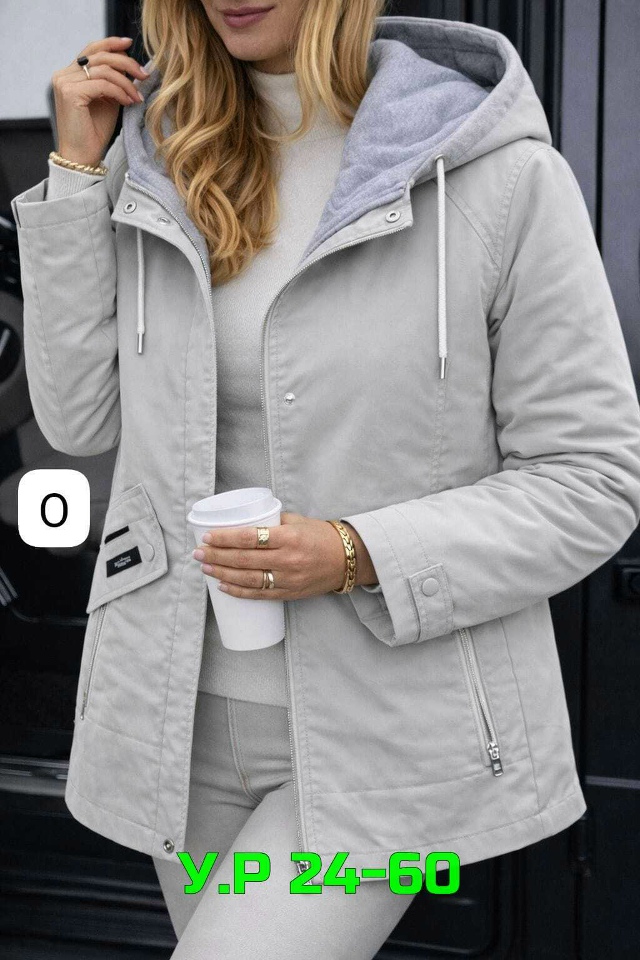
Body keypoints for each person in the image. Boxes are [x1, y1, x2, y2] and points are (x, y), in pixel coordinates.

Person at [10, 1, 640, 957]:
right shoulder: (162, 164)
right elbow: (78, 417)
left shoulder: (498, 174)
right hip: (181, 724)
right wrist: (76, 176)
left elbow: (591, 478)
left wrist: (354, 552)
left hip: (386, 735)